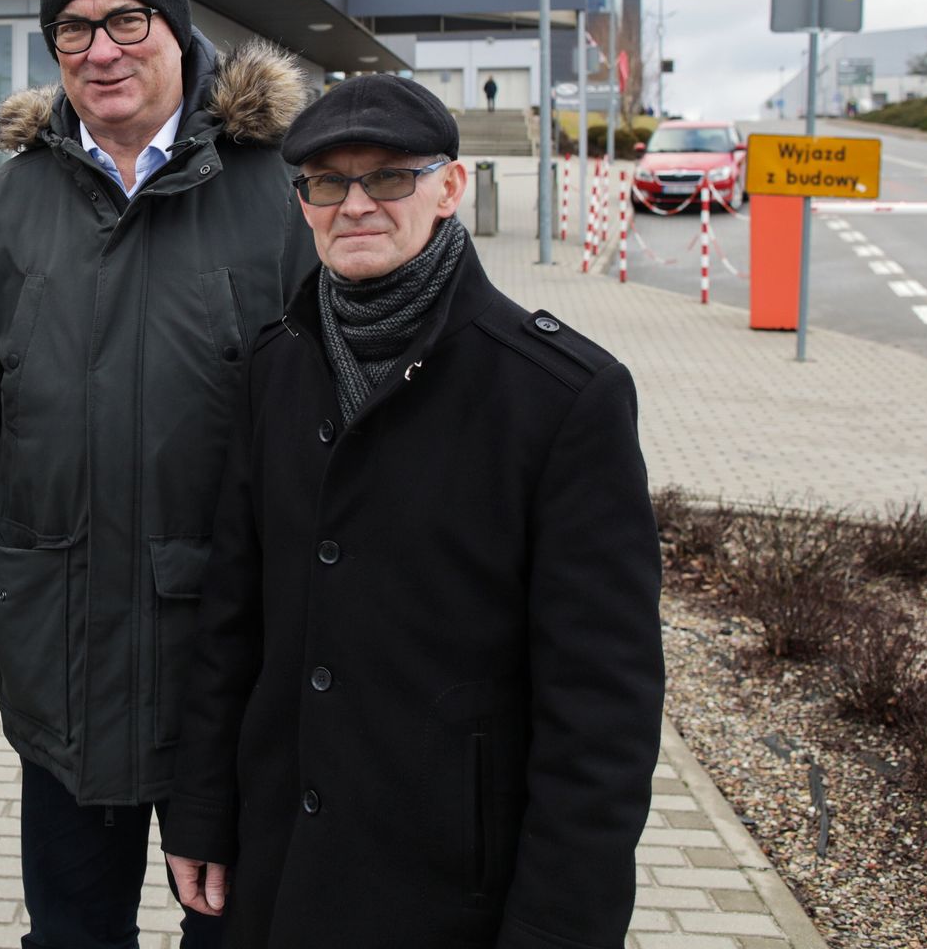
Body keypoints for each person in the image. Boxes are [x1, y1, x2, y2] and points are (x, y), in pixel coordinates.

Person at [159, 74, 665, 948]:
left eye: (389, 176)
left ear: (450, 187)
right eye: (327, 183)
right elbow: (229, 618)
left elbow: (603, 709)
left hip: (448, 883)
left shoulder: (561, 397)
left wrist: (560, 926)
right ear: (303, 203)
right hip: (271, 865)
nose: (355, 204)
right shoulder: (275, 368)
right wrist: (201, 812)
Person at [0, 0, 315, 948]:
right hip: (65, 636)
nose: (101, 51)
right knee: (73, 930)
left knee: (235, 926)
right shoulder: (11, 204)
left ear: (176, 30)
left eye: (126, 21)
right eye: (73, 31)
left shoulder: (280, 190)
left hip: (230, 640)